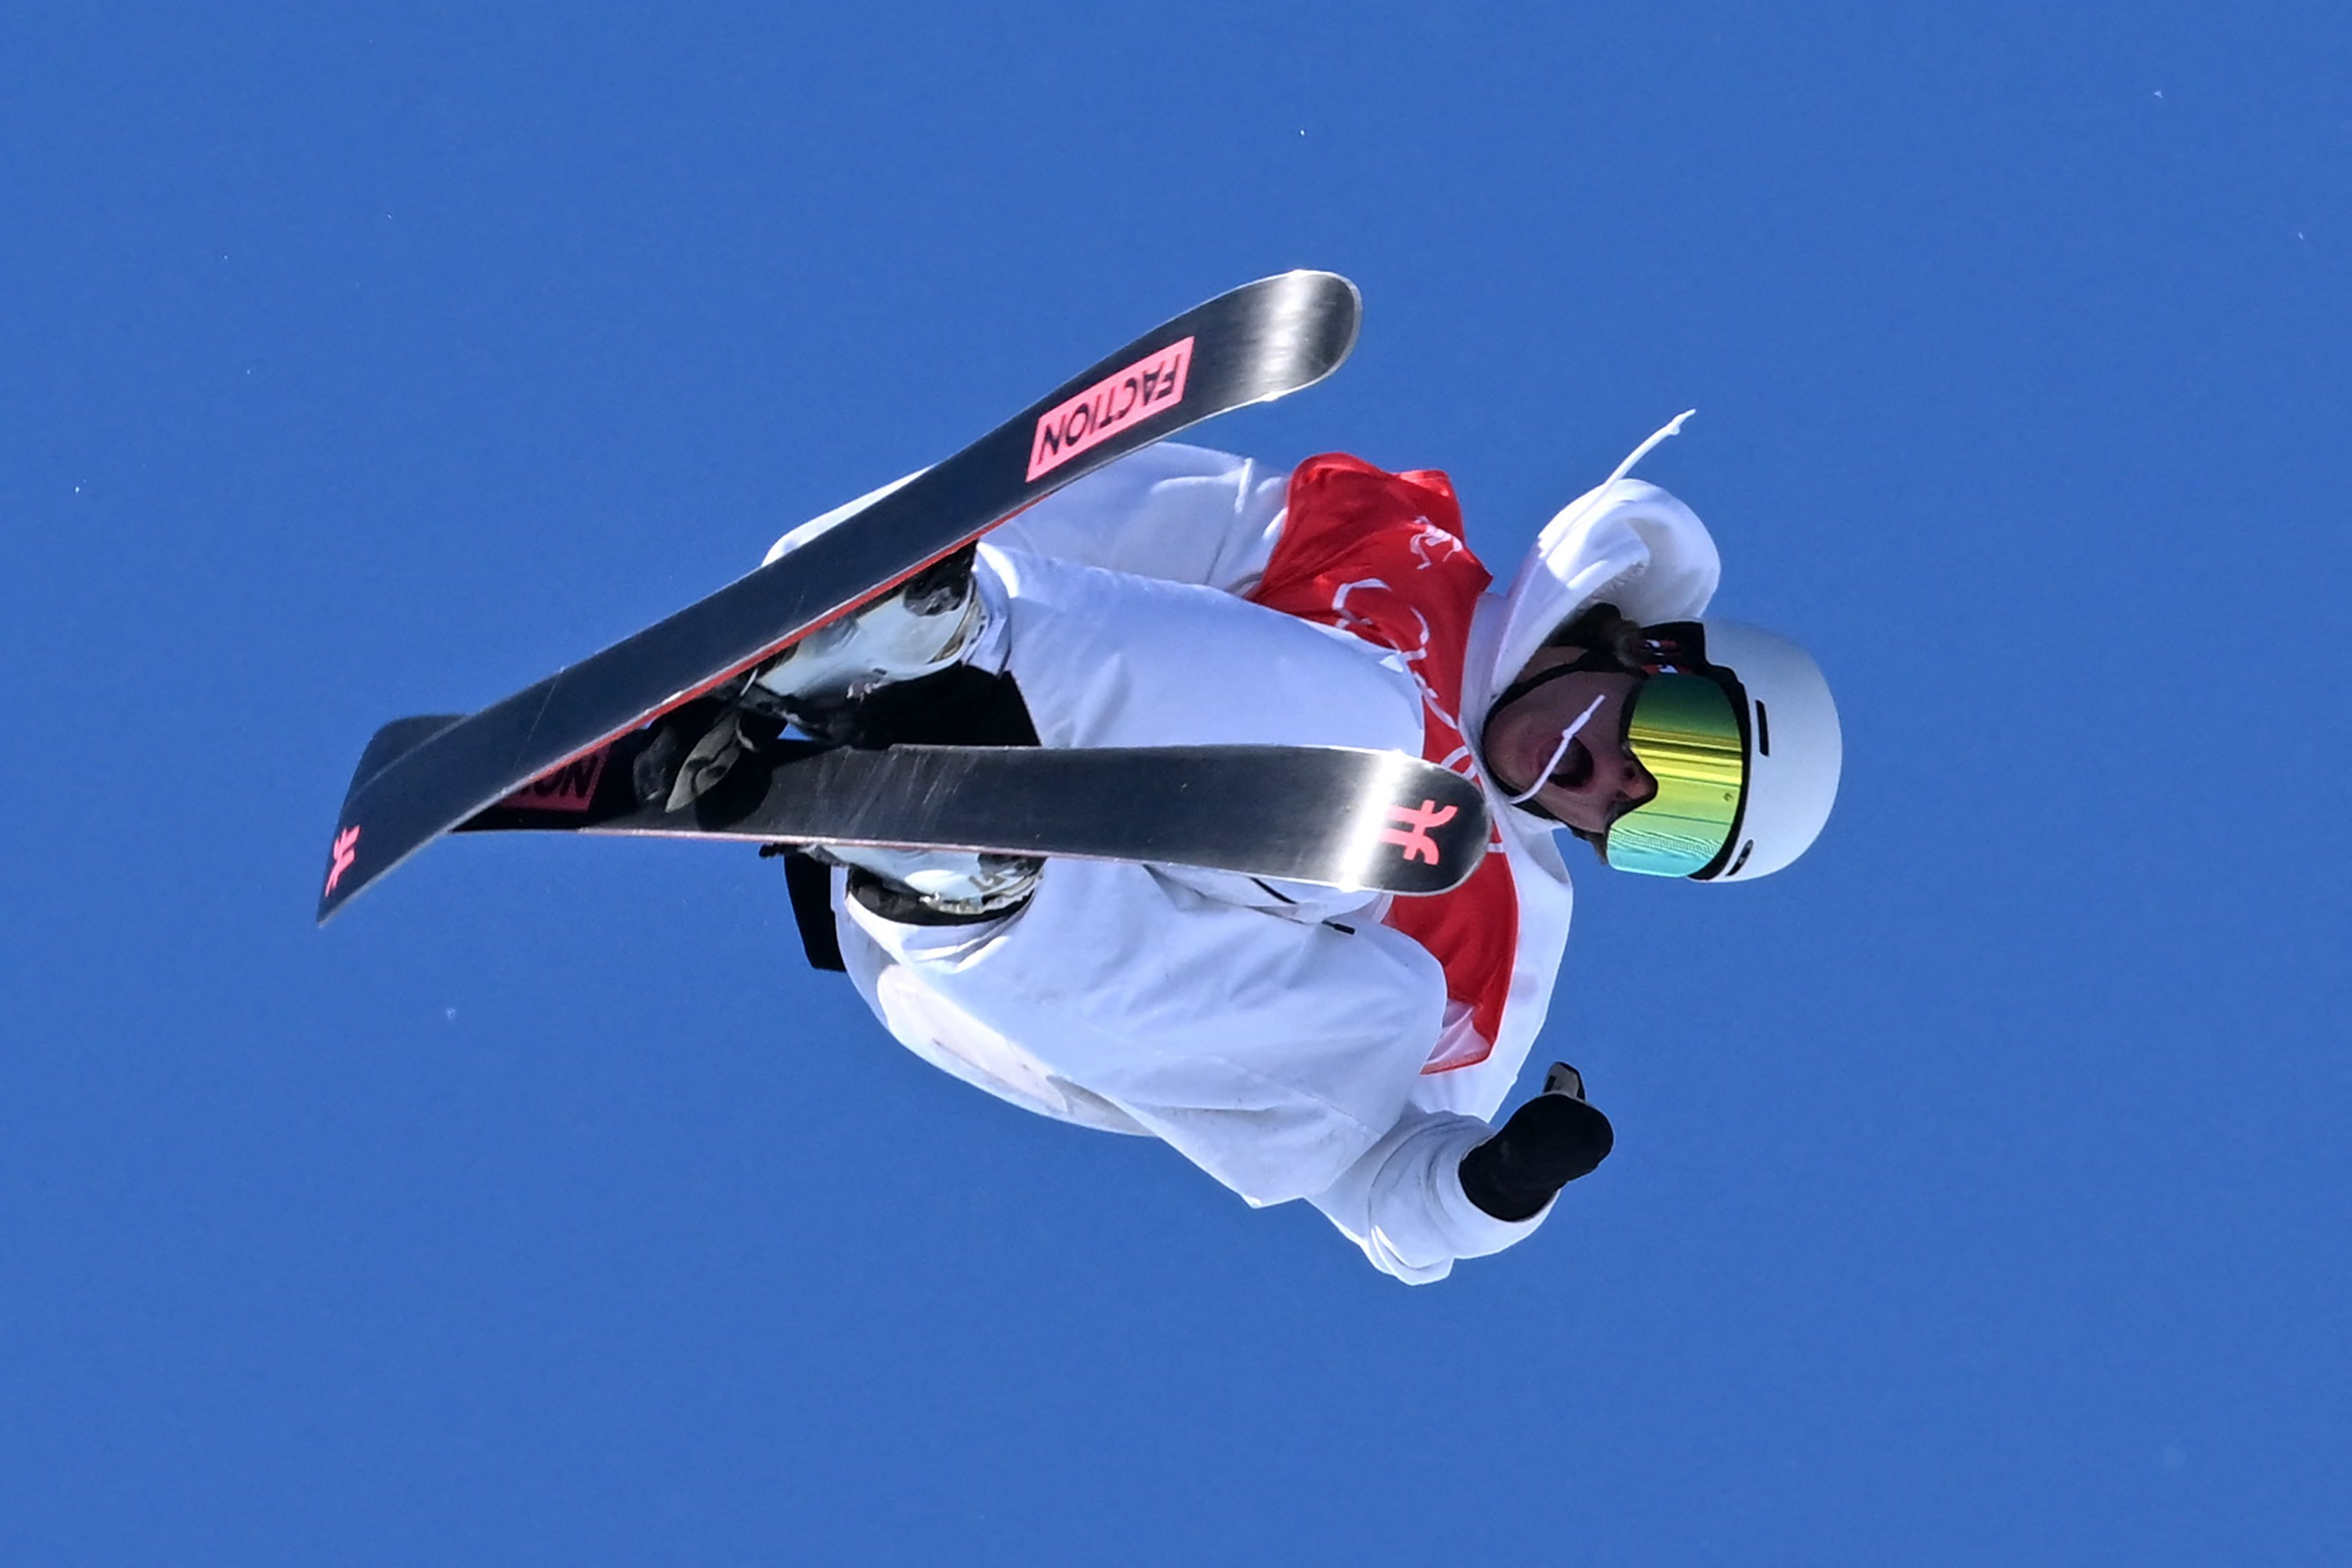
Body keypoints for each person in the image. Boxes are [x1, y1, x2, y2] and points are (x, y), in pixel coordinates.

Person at [729, 413, 1841, 1283]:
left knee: (1396, 985)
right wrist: (855, 571)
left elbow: (1382, 1184)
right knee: (1388, 744)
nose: (1615, 786)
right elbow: (1096, 514)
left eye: (1665, 831)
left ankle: (966, 884)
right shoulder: (1385, 544)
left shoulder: (1508, 937)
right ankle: (909, 647)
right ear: (1651, 649)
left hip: (1010, 978)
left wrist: (1489, 1191)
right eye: (1679, 749)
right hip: (1005, 687)